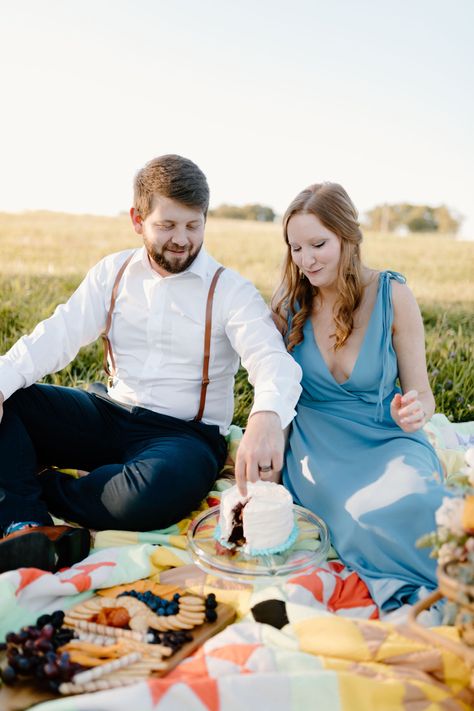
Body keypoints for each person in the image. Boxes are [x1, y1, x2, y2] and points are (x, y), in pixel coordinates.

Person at [0, 154, 302, 573]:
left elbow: (272, 360)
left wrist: (266, 416)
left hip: (183, 438)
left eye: (193, 226)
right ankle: (25, 523)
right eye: (167, 226)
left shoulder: (230, 291)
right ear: (137, 219)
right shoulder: (114, 272)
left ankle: (39, 486)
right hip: (110, 413)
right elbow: (58, 334)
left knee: (151, 494)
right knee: (12, 399)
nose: (182, 239)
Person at [273, 182, 448, 612]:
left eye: (318, 244)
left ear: (348, 237)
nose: (306, 259)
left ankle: (458, 578)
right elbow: (271, 392)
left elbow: (422, 394)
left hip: (388, 438)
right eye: (296, 248)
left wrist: (414, 411)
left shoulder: (393, 296)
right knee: (367, 512)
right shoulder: (288, 306)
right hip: (319, 449)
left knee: (420, 503)